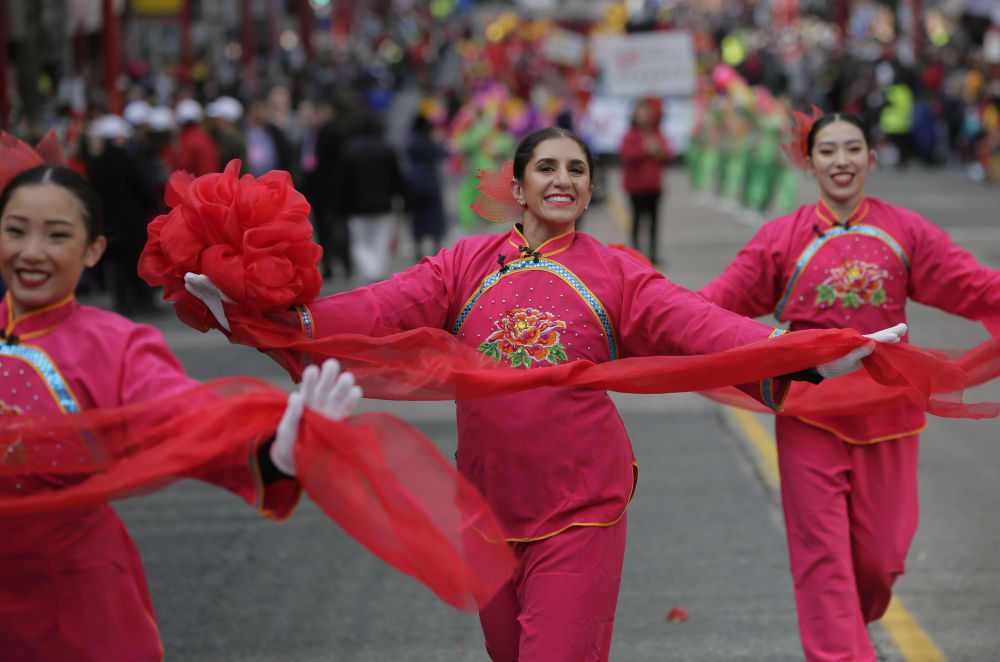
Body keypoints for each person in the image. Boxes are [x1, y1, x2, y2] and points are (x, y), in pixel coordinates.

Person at [184, 127, 904, 662]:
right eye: (548, 168)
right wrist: (269, 320)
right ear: (520, 187)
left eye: (578, 170)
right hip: (487, 502)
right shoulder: (465, 264)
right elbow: (378, 308)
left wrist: (809, 354)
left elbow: (703, 328)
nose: (564, 179)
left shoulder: (616, 274)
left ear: (590, 190)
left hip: (581, 505)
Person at [0, 164, 361, 661]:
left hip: (71, 599)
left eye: (57, 235)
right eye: (16, 231)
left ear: (93, 251)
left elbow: (187, 418)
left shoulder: (114, 346)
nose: (32, 251)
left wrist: (273, 446)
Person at [697, 111, 1000, 662]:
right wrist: (638, 314)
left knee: (879, 563)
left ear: (871, 158)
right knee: (822, 562)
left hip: (889, 414)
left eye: (852, 149)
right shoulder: (780, 239)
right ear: (809, 162)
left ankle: (843, 631)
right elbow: (709, 308)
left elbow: (974, 285)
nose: (841, 161)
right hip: (809, 414)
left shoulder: (905, 230)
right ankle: (840, 648)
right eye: (828, 151)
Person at [619, 97, 671, 265]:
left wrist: (658, 151)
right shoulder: (630, 135)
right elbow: (627, 156)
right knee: (636, 221)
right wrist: (645, 150)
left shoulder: (656, 134)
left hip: (653, 186)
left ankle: (653, 254)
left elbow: (667, 155)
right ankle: (635, 255)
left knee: (653, 222)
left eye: (647, 113)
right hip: (636, 187)